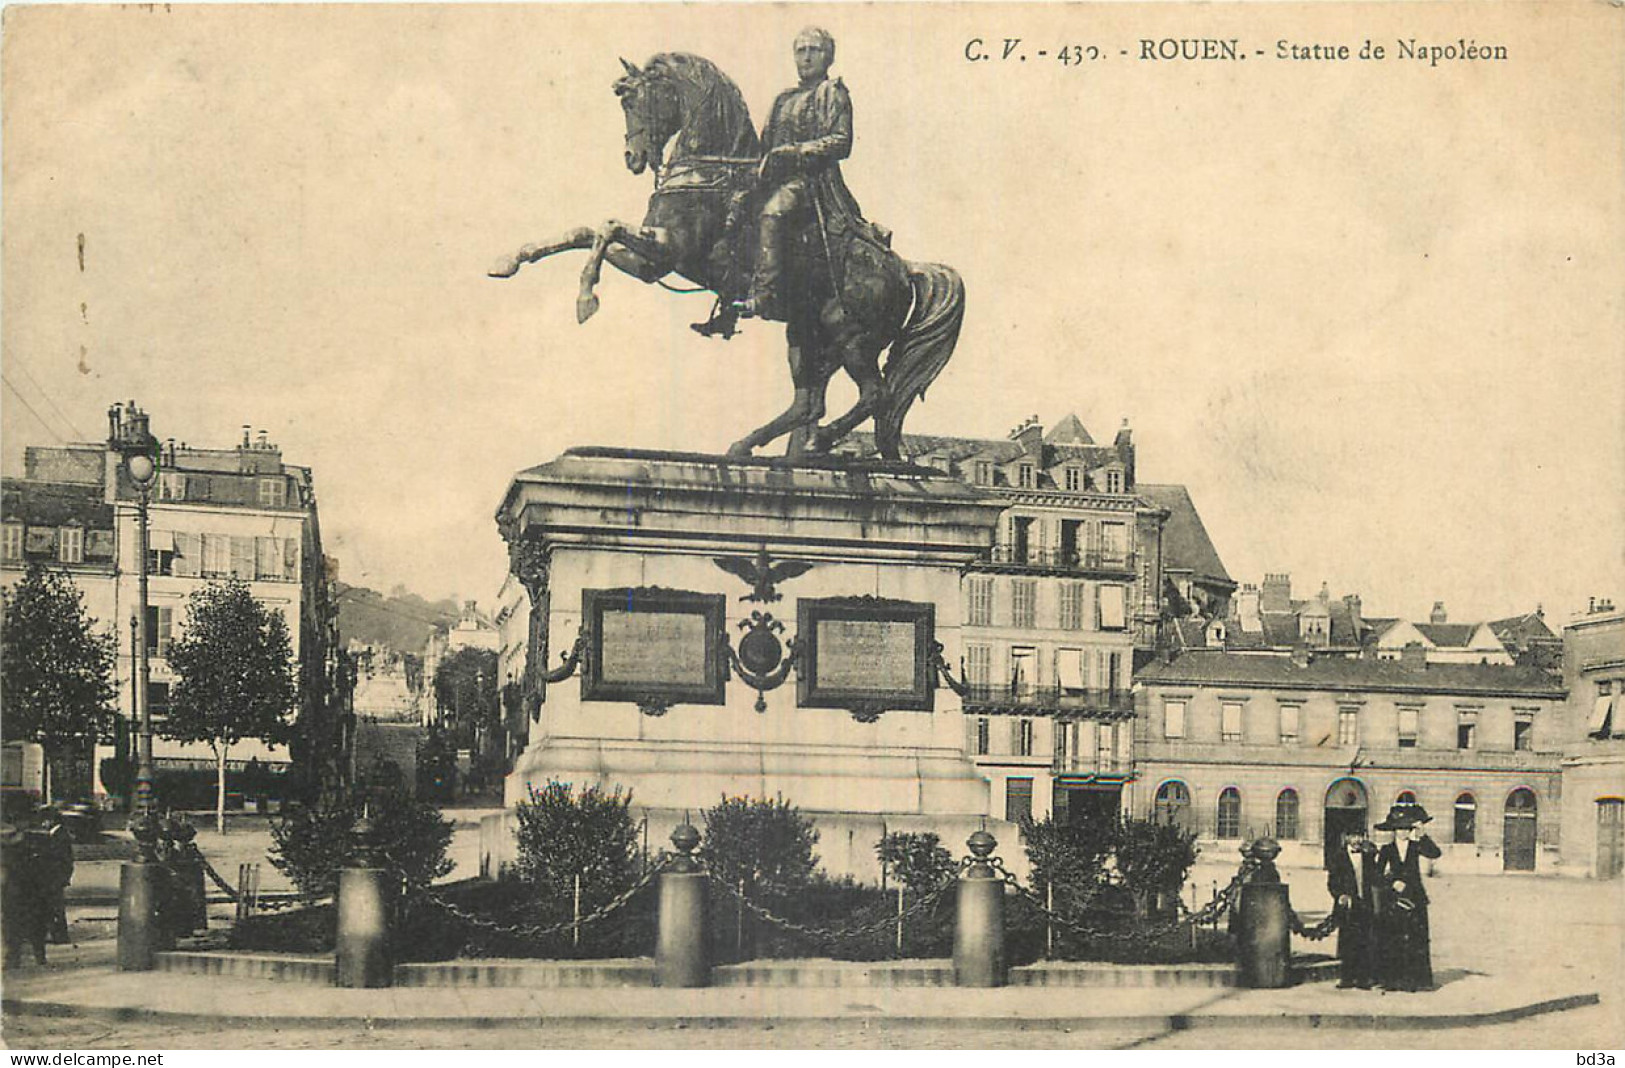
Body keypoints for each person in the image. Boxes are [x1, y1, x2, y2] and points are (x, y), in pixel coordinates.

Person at [733, 27, 866, 322]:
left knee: (772, 214)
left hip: (812, 182)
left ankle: (766, 295)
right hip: (775, 179)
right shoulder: (783, 98)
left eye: (814, 50)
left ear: (828, 57)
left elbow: (841, 142)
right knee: (733, 212)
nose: (806, 57)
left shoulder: (832, 92)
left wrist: (794, 152)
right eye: (801, 50)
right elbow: (765, 144)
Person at [1375, 803, 1442, 991]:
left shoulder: (1416, 846)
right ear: (1393, 830)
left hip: (1416, 897)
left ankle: (1417, 980)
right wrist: (1391, 882)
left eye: (1406, 828)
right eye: (1399, 828)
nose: (1403, 832)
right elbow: (1376, 875)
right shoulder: (1387, 850)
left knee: (1417, 938)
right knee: (1394, 938)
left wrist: (1422, 835)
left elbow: (1435, 853)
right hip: (1394, 898)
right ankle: (1393, 980)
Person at [1326, 827, 1380, 989]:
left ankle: (1364, 978)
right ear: (1347, 837)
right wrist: (1340, 895)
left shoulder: (1368, 856)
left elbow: (1375, 878)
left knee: (1365, 940)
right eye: (1353, 836)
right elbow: (1332, 882)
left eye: (1359, 836)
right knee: (1348, 940)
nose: (1356, 840)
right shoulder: (1338, 856)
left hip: (1365, 903)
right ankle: (1347, 978)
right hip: (1348, 905)